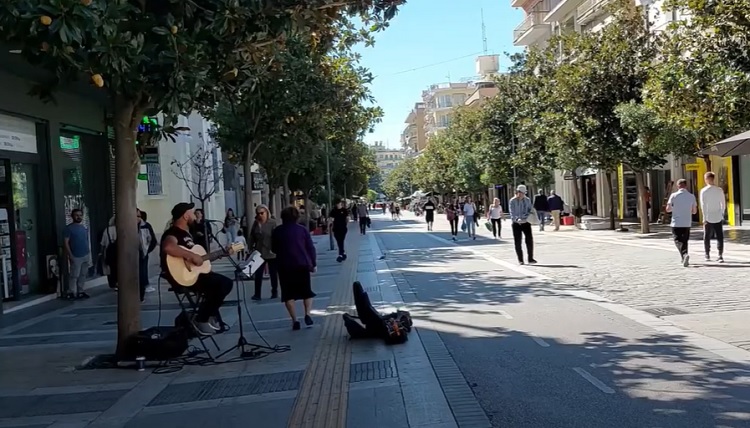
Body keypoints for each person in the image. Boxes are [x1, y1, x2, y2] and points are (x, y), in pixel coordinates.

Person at [161, 202, 234, 335]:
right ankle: (202, 319)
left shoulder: (188, 234)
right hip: (183, 277)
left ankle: (207, 316)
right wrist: (191, 255)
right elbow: (169, 247)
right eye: (192, 213)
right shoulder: (173, 233)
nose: (195, 216)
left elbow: (199, 260)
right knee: (224, 283)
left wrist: (220, 253)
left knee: (223, 284)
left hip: (195, 275)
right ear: (185, 216)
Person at [272, 206, 317, 330]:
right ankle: (307, 314)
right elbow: (310, 248)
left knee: (288, 295)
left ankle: (295, 320)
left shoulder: (277, 231)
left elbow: (273, 249)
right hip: (301, 264)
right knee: (306, 292)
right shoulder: (302, 230)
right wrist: (313, 263)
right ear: (297, 217)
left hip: (284, 266)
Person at [249, 204, 279, 300]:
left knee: (273, 273)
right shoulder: (256, 223)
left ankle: (274, 291)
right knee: (258, 274)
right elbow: (252, 236)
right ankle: (257, 294)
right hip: (259, 252)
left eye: (262, 213)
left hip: (271, 252)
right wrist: (249, 248)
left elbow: (276, 237)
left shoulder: (272, 223)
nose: (260, 215)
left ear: (267, 212)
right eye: (258, 213)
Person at [666, 179, 698, 267]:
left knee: (677, 240)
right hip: (687, 222)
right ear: (686, 186)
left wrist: (675, 208)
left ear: (678, 186)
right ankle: (684, 257)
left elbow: (668, 209)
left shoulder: (674, 195)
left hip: (676, 222)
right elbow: (694, 211)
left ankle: (684, 255)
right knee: (685, 241)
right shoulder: (691, 196)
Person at [63, 208, 90, 299]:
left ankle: (80, 291)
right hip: (75, 255)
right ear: (72, 216)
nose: (79, 217)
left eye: (80, 215)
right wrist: (70, 254)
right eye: (76, 215)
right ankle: (71, 292)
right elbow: (66, 242)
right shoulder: (69, 228)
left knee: (83, 274)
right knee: (74, 275)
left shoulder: (83, 227)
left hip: (85, 254)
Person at [700, 172, 726, 262]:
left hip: (708, 216)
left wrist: (704, 217)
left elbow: (703, 205)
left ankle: (707, 254)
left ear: (706, 179)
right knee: (719, 236)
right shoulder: (719, 190)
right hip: (717, 216)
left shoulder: (704, 191)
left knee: (707, 236)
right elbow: (723, 203)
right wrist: (721, 213)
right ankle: (720, 255)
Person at [509, 185, 536, 265]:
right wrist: (516, 220)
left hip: (526, 222)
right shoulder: (512, 201)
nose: (521, 194)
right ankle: (520, 260)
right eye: (520, 192)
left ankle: (530, 258)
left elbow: (529, 210)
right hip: (516, 223)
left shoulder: (527, 200)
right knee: (517, 242)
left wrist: (526, 218)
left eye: (523, 193)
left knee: (529, 240)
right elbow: (512, 212)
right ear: (517, 192)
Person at [137, 209, 157, 300]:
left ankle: (142, 292)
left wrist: (146, 250)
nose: (137, 218)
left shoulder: (145, 226)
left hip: (142, 253)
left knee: (142, 272)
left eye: (139, 216)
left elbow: (153, 240)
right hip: (130, 255)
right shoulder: (127, 226)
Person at [100, 215, 117, 291]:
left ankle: (113, 284)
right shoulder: (122, 228)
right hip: (118, 252)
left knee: (110, 268)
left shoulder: (107, 230)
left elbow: (102, 244)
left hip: (109, 252)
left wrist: (101, 253)